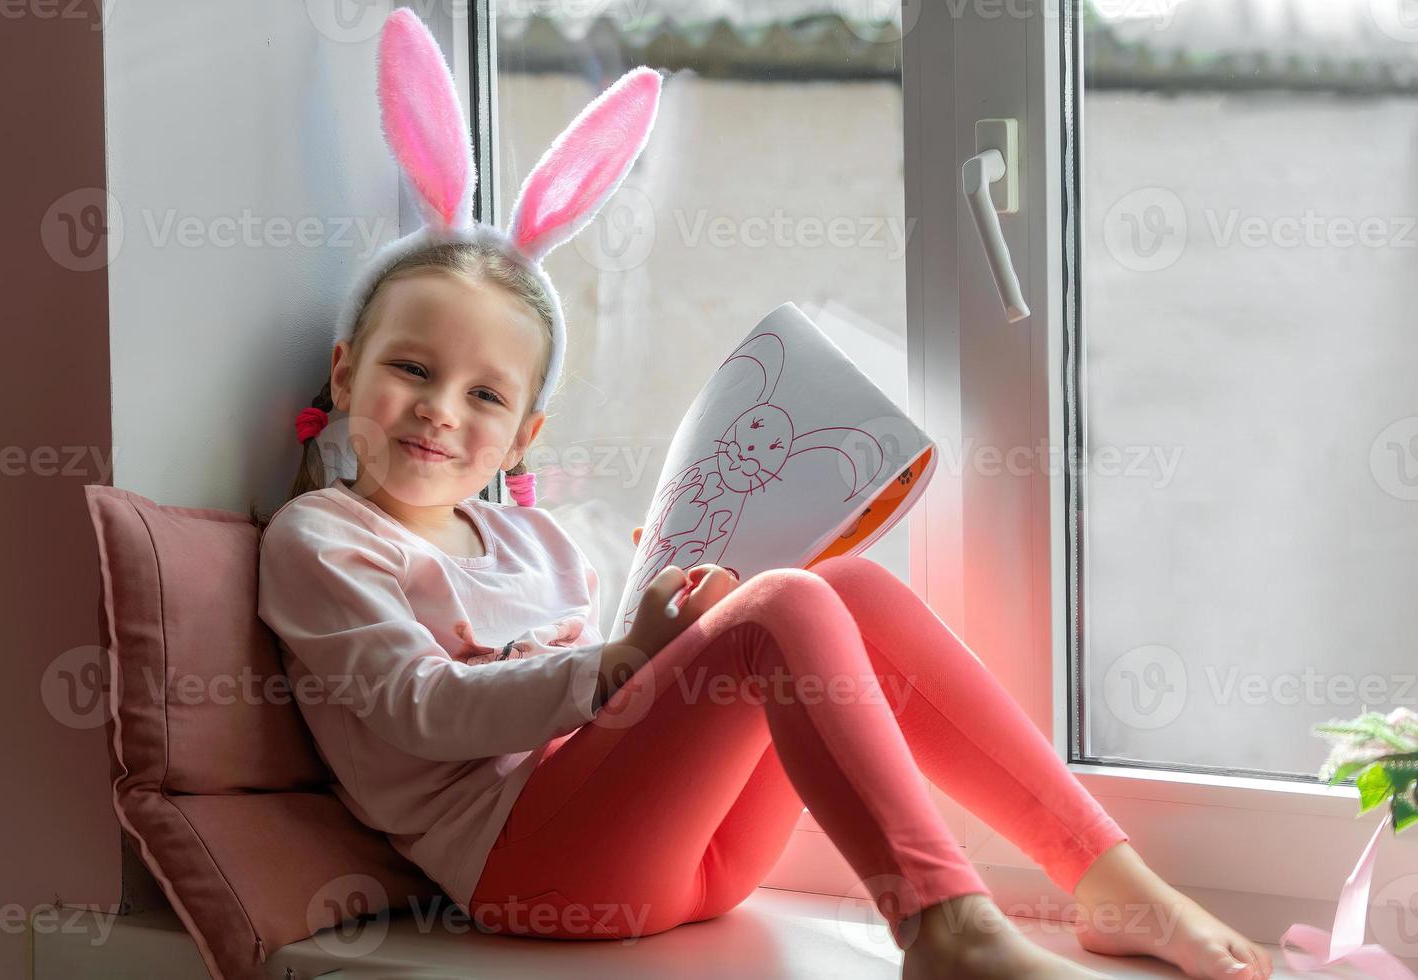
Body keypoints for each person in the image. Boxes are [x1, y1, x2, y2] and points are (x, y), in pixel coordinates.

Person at [253, 10, 1273, 979]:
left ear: (525, 435)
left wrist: (664, 632)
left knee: (839, 586)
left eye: (484, 393)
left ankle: (1115, 879)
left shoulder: (535, 541)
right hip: (539, 872)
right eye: (412, 370)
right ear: (345, 374)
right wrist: (619, 664)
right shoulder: (323, 538)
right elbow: (421, 709)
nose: (440, 410)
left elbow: (606, 701)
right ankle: (944, 925)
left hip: (687, 852)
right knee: (779, 608)